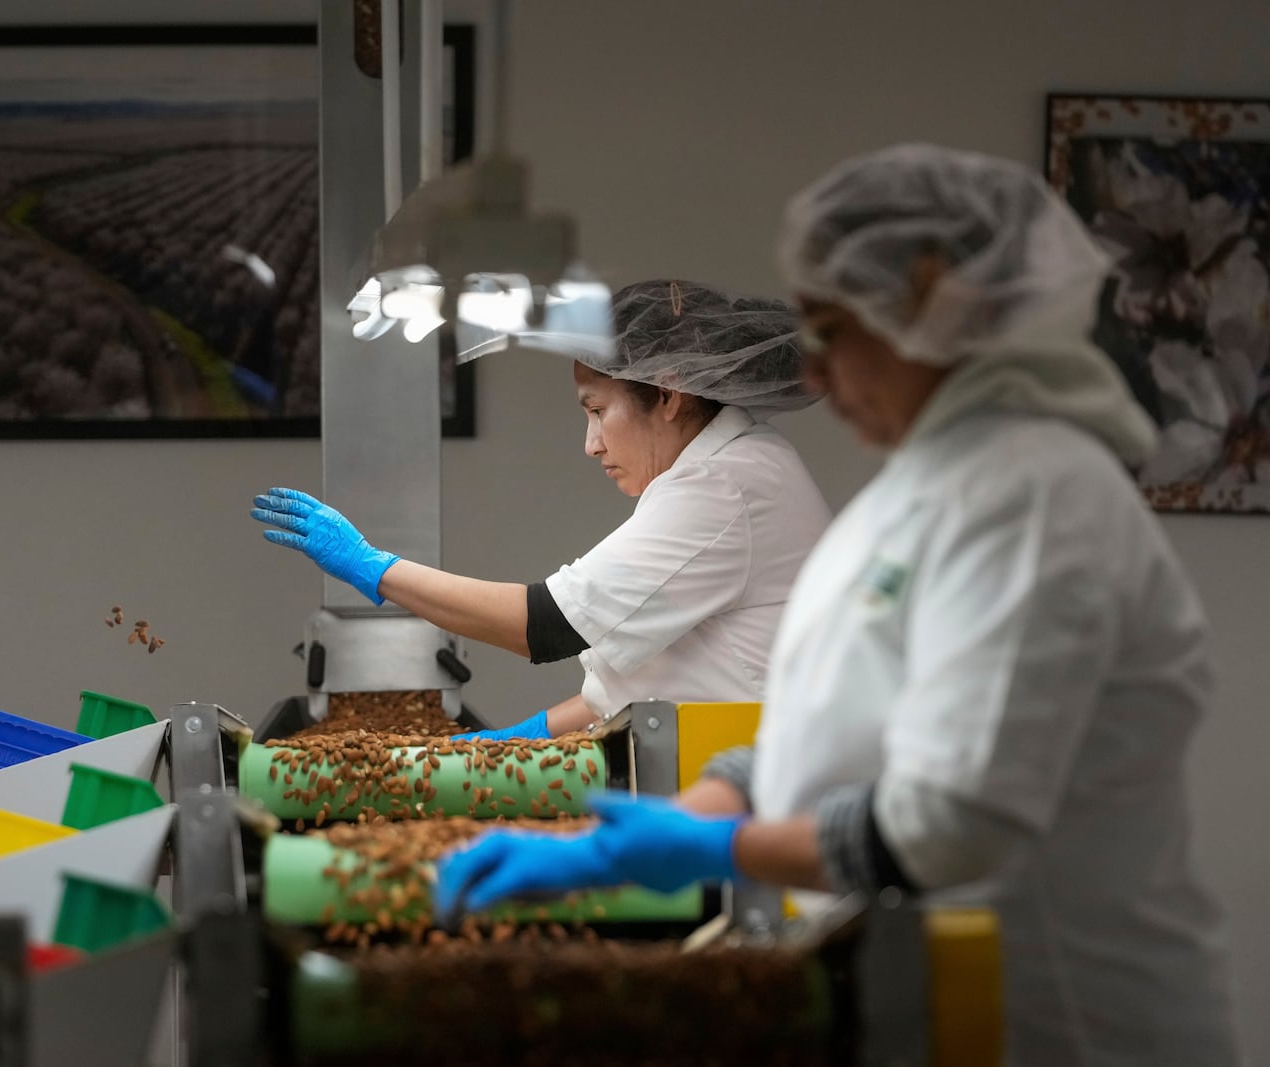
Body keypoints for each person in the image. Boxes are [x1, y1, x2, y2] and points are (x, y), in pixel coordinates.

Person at [434, 144, 1243, 1065]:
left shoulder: (1036, 502)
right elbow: (822, 724)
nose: (811, 368)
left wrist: (713, 849)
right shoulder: (906, 504)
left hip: (1062, 1017)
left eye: (833, 329)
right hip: (913, 991)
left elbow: (949, 822)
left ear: (931, 307)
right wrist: (684, 816)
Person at [252, 281, 831, 740]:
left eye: (597, 410)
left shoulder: (721, 486)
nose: (591, 444)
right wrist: (520, 738)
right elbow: (643, 675)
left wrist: (372, 566)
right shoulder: (737, 467)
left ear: (669, 393)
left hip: (750, 785)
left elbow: (546, 625)